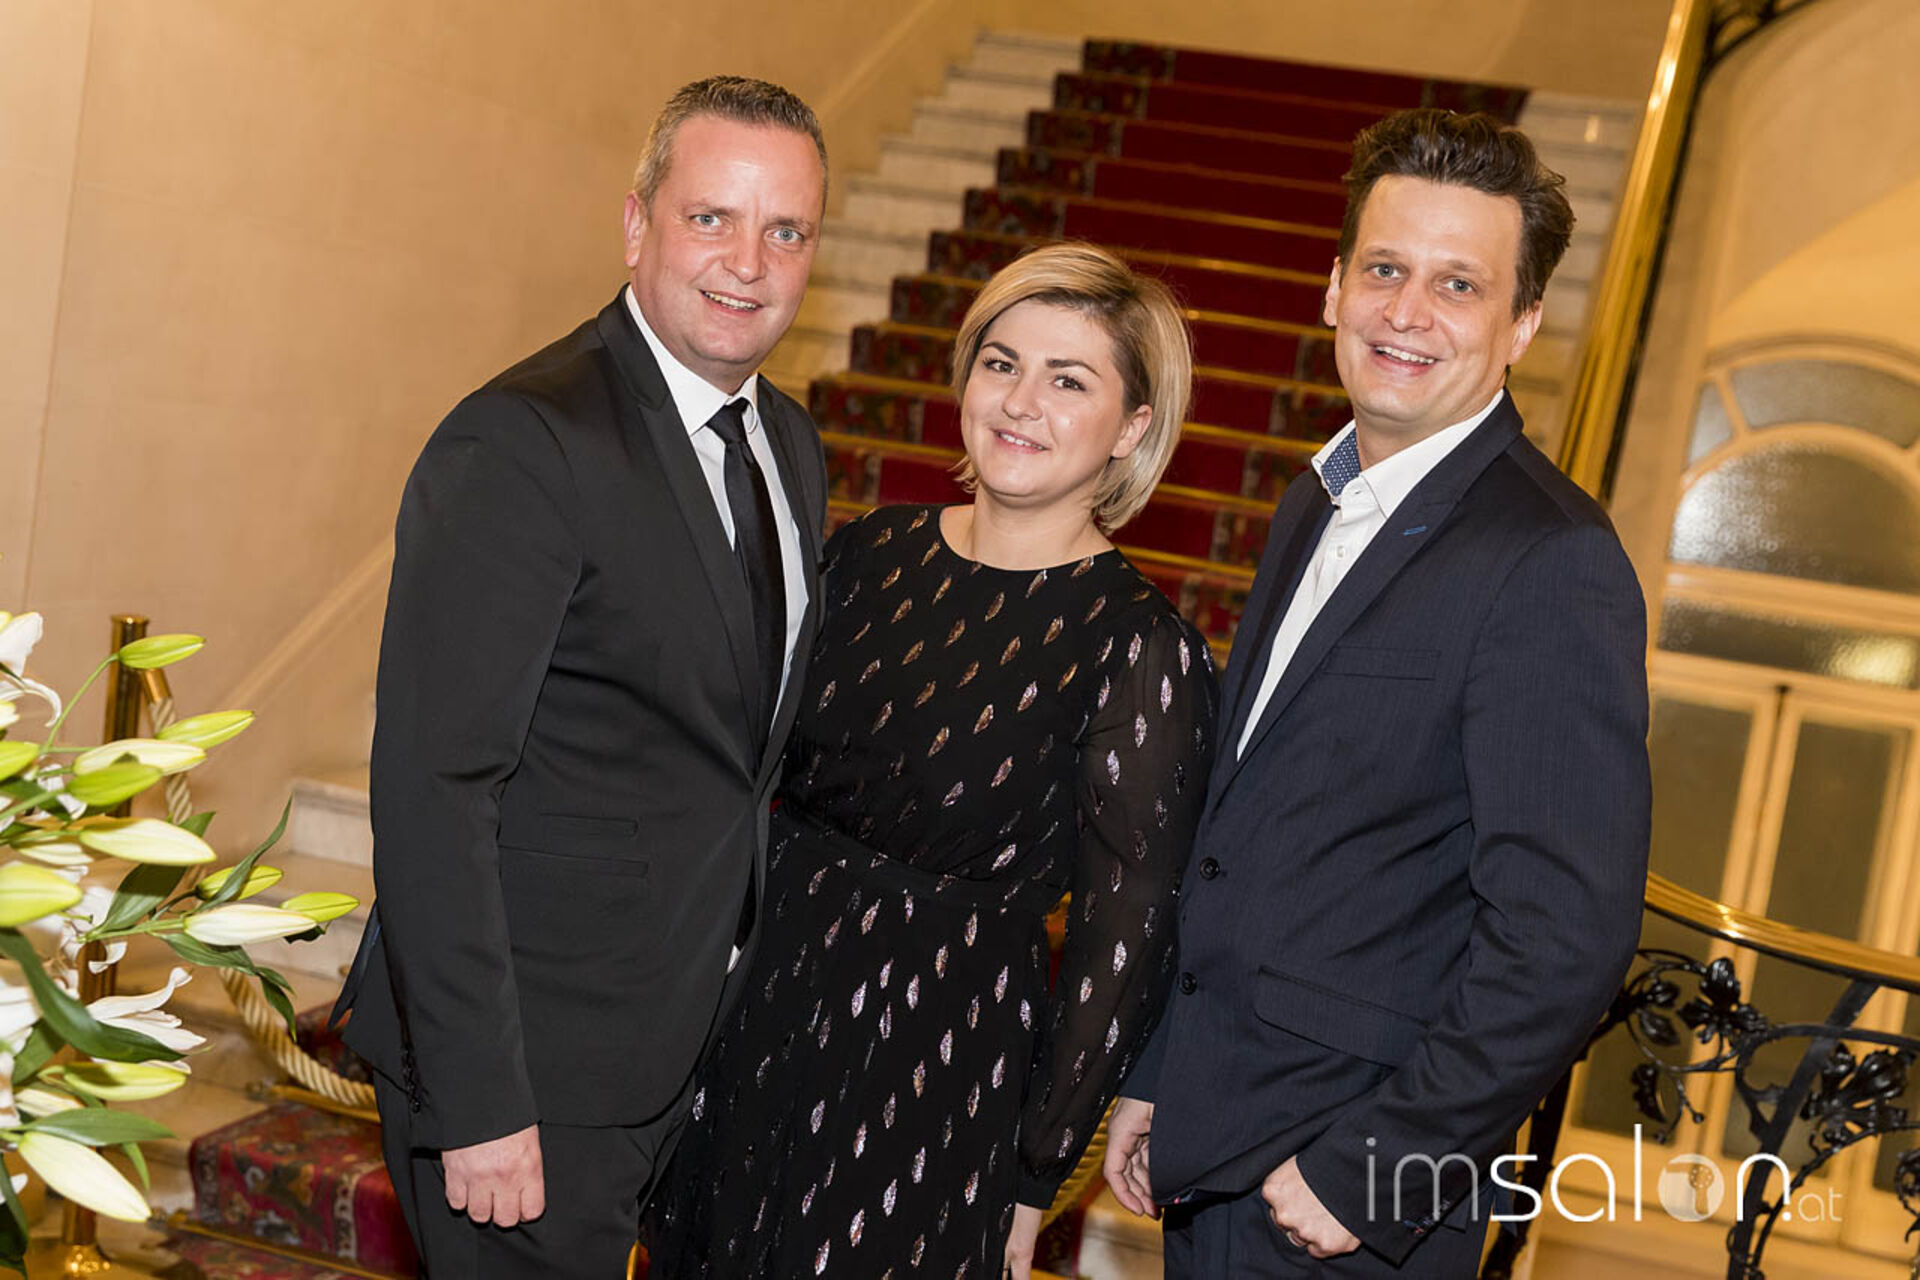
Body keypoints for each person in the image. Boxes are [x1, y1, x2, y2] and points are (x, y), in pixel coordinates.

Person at [1103, 109, 1652, 1276]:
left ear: (1523, 324)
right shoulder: (1316, 498)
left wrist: (1379, 1163)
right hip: (1220, 1135)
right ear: (1334, 287)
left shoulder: (1551, 559)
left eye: (1459, 284)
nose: (1407, 312)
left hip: (1343, 1195)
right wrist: (1162, 1071)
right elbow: (1241, 832)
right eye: (1386, 269)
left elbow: (1566, 935)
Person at [331, 76, 829, 1277]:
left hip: (671, 1050)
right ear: (636, 225)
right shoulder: (524, 439)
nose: (748, 263)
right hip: (529, 1071)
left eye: (786, 231)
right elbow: (433, 787)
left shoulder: (789, 443)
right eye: (711, 218)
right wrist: (480, 1097)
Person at [646, 242, 1221, 1278]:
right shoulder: (871, 551)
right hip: (755, 1018)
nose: (1021, 402)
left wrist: (1034, 1174)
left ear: (1134, 426)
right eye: (1001, 363)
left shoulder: (1138, 648)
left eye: (1069, 380)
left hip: (933, 1066)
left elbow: (1123, 938)